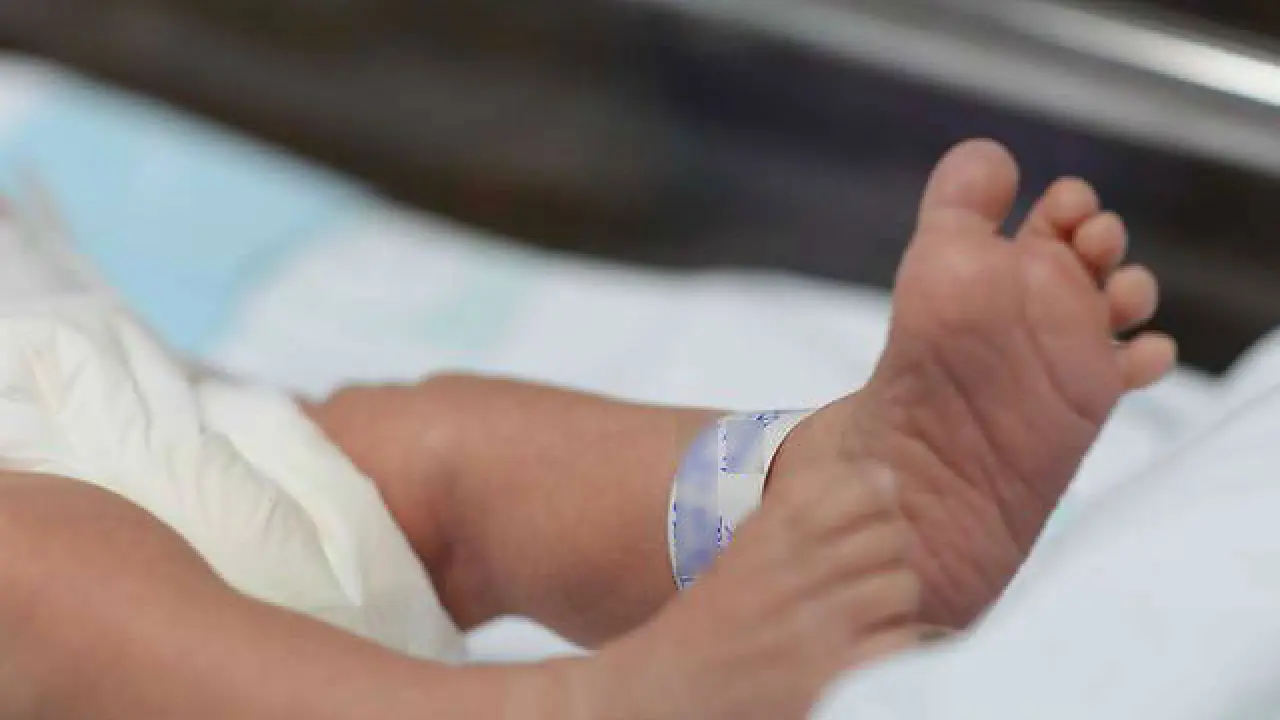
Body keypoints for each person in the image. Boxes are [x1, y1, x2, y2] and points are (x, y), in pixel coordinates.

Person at [0, 140, 1173, 718]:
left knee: (434, 457)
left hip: (152, 422)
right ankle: (579, 705)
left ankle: (831, 491)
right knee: (37, 572)